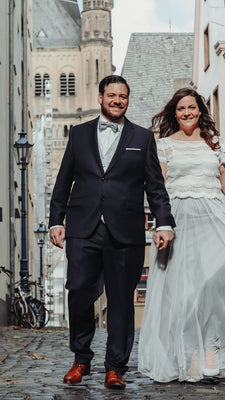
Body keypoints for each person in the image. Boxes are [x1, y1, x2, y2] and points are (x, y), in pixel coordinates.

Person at [138, 88, 225, 383]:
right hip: (179, 220)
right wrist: (160, 225)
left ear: (201, 111)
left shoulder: (216, 143)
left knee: (213, 286)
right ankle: (189, 353)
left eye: (192, 107)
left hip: (214, 217)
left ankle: (212, 346)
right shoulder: (163, 145)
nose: (187, 112)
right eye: (181, 109)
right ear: (174, 113)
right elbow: (159, 189)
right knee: (184, 291)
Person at [49, 75, 175, 389]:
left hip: (125, 231)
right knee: (78, 292)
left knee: (120, 301)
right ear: (101, 97)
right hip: (83, 228)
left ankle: (115, 367)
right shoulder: (78, 135)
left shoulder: (143, 137)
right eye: (112, 95)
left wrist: (163, 222)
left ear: (127, 100)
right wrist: (56, 220)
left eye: (122, 96)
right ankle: (81, 359)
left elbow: (155, 187)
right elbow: (64, 180)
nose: (117, 101)